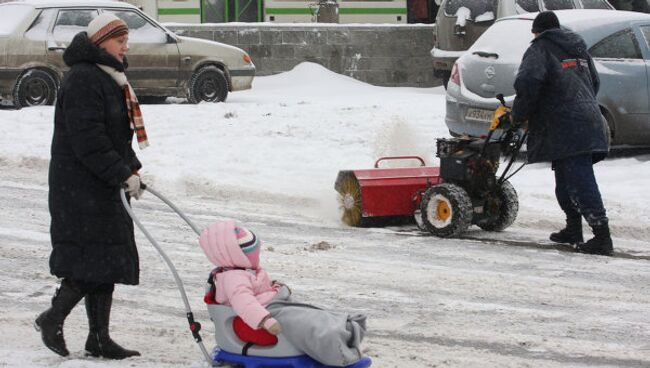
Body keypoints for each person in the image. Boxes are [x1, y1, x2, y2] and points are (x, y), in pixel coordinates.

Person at [35, 13, 149, 359]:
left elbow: (116, 134)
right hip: (81, 187)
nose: (125, 46)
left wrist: (131, 169)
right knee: (91, 258)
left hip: (99, 184)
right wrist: (120, 173)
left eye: (126, 40)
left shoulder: (107, 76)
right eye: (119, 40)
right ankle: (52, 317)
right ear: (100, 42)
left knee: (108, 258)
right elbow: (89, 141)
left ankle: (98, 338)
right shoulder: (85, 79)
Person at [511, 11, 612, 256]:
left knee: (579, 179)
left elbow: (528, 83)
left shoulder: (540, 48)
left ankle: (602, 237)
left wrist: (519, 114)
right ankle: (573, 229)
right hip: (587, 118)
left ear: (538, 31)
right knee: (566, 179)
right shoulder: (579, 49)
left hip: (565, 123)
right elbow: (594, 83)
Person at [199, 220, 367, 367]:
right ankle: (336, 348)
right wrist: (265, 320)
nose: (255, 258)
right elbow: (245, 303)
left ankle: (342, 331)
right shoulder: (234, 278)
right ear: (237, 255)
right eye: (251, 254)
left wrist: (274, 288)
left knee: (312, 313)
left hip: (270, 308)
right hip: (257, 323)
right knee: (303, 322)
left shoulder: (244, 271)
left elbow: (256, 291)